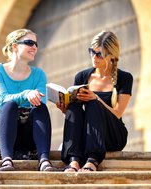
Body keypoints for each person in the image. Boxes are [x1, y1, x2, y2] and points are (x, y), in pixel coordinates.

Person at [57, 31, 133, 172]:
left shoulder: (125, 78)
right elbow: (80, 115)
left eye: (100, 54)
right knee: (74, 106)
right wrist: (65, 109)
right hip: (87, 135)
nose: (94, 57)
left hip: (113, 135)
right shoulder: (81, 76)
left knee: (93, 103)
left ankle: (93, 159)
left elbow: (117, 113)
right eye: (92, 52)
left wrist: (96, 98)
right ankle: (74, 160)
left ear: (111, 56)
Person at [0, 29, 56, 172]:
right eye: (29, 43)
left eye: (36, 44)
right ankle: (6, 160)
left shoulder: (39, 75)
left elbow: (40, 103)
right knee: (9, 105)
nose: (34, 47)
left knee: (40, 108)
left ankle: (44, 161)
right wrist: (26, 94)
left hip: (25, 136)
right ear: (15, 46)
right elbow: (2, 98)